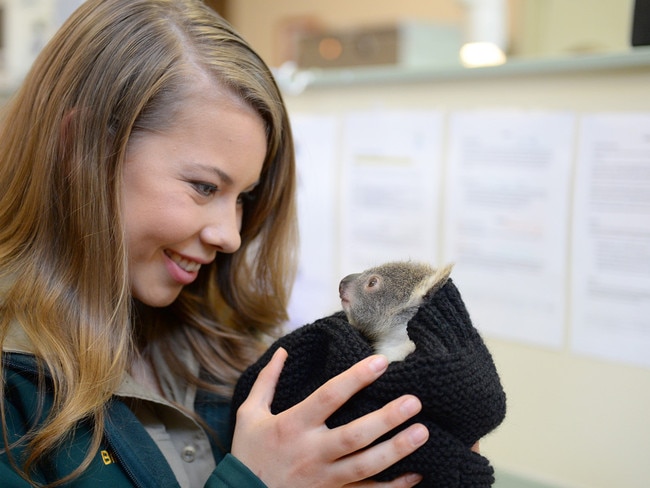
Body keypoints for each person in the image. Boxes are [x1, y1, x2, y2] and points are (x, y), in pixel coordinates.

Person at [0, 0, 430, 486]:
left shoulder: (227, 345)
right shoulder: (13, 392)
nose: (229, 236)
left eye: (244, 197)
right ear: (81, 149)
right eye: (204, 187)